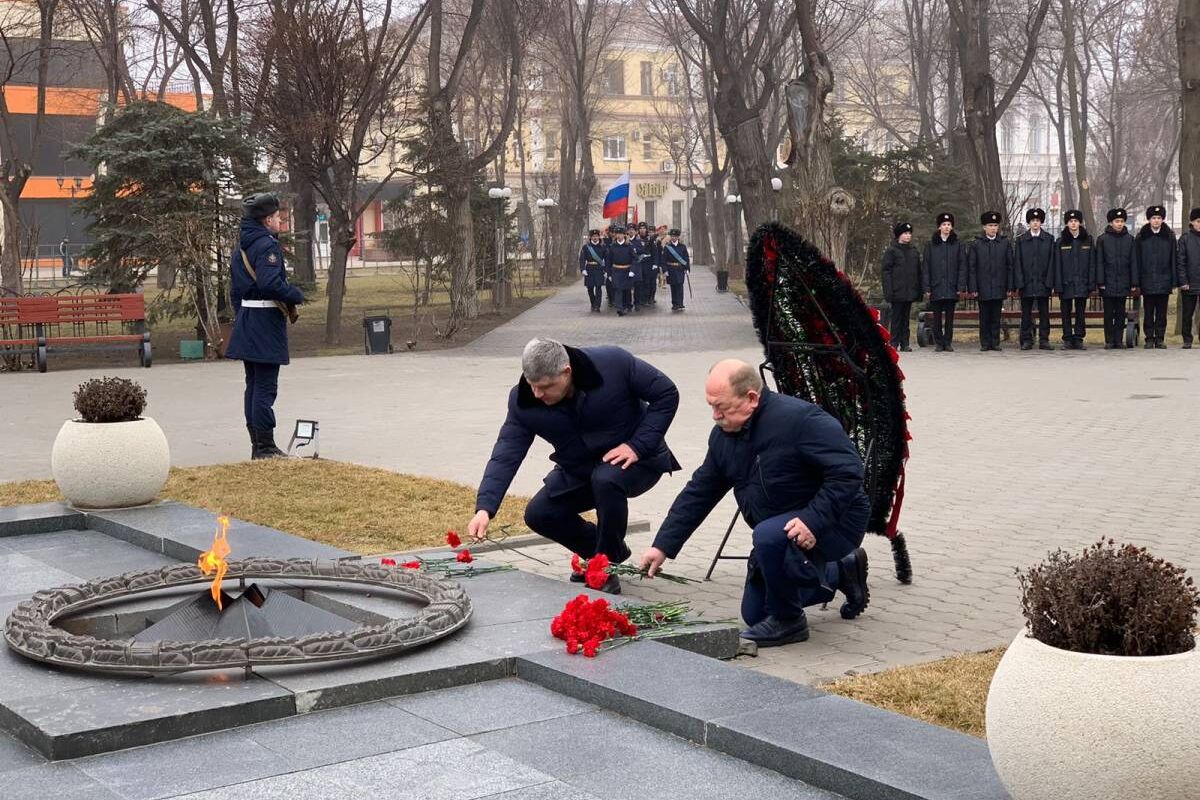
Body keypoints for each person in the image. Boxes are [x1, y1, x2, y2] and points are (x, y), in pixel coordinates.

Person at [638, 360, 871, 646]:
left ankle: (790, 622)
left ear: (751, 398)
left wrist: (813, 519)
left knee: (769, 538)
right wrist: (662, 545)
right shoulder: (724, 436)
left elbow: (848, 472)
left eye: (721, 406)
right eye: (711, 406)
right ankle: (841, 572)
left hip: (835, 519)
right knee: (755, 614)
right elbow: (700, 491)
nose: (715, 415)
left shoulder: (801, 420)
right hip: (781, 528)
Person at [469, 338, 681, 594]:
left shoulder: (612, 364)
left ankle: (606, 568)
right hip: (581, 469)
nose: (537, 394)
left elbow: (666, 394)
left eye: (545, 387)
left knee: (606, 479)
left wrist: (637, 445)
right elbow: (506, 452)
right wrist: (485, 508)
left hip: (640, 461)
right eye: (532, 384)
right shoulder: (524, 400)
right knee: (539, 513)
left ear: (566, 372)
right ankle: (605, 551)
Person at [224, 192, 305, 459]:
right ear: (267, 219)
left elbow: (235, 291)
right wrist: (295, 295)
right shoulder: (267, 246)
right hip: (264, 322)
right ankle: (266, 447)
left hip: (248, 319)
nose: (281, 221)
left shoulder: (243, 247)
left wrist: (243, 316)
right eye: (279, 217)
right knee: (265, 386)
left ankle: (257, 444)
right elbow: (269, 284)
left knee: (253, 383)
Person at [967, 211, 1014, 351]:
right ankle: (985, 343)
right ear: (984, 227)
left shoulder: (1004, 243)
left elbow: (1010, 265)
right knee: (984, 316)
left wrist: (1010, 285)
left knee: (996, 316)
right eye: (990, 225)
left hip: (999, 285)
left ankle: (995, 342)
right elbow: (972, 267)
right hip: (983, 286)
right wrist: (973, 287)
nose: (993, 228)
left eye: (995, 225)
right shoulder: (976, 244)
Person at [1095, 208, 1138, 349]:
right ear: (1111, 222)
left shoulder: (1130, 239)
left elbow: (1133, 261)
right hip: (1108, 283)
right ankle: (1109, 340)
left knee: (1120, 313)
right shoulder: (1102, 239)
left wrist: (1133, 282)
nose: (1119, 224)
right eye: (1116, 221)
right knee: (1108, 314)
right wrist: (1100, 281)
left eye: (1121, 221)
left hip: (1123, 282)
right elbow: (1099, 262)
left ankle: (1118, 340)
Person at [922, 212, 965, 352]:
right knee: (937, 317)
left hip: (951, 287)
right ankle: (939, 342)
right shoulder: (931, 245)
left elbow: (962, 266)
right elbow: (926, 267)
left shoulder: (957, 244)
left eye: (949, 225)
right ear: (939, 227)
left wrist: (960, 286)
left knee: (950, 317)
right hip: (936, 286)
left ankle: (948, 342)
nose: (946, 227)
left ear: (952, 227)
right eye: (944, 225)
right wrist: (927, 287)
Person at [1014, 208, 1056, 350]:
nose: (1035, 223)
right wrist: (1020, 282)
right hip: (1027, 283)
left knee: (1044, 313)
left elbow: (1052, 262)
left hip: (1043, 283)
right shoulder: (1021, 240)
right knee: (1026, 313)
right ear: (1029, 223)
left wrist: (1049, 281)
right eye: (1033, 221)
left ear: (1041, 222)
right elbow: (1017, 262)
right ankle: (1027, 339)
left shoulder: (1049, 239)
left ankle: (1044, 339)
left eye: (1038, 221)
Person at [1134, 205, 1175, 349]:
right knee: (1149, 311)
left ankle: (1160, 338)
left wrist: (1173, 280)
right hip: (1147, 280)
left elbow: (1173, 259)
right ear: (1149, 219)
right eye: (1153, 218)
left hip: (1164, 280)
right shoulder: (1141, 236)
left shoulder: (1169, 236)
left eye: (1159, 218)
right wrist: (1137, 280)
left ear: (1162, 219)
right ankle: (1149, 338)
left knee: (1162, 312)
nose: (1156, 221)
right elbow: (1137, 259)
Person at [881, 222, 923, 352]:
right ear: (899, 235)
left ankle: (905, 342)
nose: (908, 236)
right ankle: (893, 342)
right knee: (896, 318)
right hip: (897, 290)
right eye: (905, 233)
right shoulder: (892, 251)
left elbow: (918, 271)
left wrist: (918, 289)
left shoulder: (913, 251)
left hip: (909, 290)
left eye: (909, 233)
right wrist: (889, 290)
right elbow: (886, 272)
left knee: (906, 318)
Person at [1056, 210, 1094, 350]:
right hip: (1066, 283)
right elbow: (1057, 264)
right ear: (1067, 223)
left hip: (1082, 283)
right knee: (1065, 312)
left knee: (1080, 312)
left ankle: (1078, 338)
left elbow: (1092, 263)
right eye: (1071, 221)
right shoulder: (1061, 241)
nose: (1073, 224)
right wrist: (1058, 284)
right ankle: (1067, 338)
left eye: (1076, 221)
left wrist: (1091, 282)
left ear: (1080, 223)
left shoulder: (1087, 240)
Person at [1175, 207, 1200, 349]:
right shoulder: (1185, 239)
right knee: (1187, 313)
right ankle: (1187, 339)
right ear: (1192, 222)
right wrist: (1183, 281)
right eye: (1198, 221)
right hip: (1189, 283)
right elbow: (1181, 261)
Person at [607, 226, 638, 316]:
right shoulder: (612, 246)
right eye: (617, 234)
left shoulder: (629, 246)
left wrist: (632, 270)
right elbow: (609, 261)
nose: (619, 236)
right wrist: (608, 273)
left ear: (624, 235)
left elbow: (634, 259)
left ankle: (627, 305)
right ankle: (620, 308)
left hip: (627, 271)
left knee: (626, 290)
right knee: (618, 289)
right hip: (616, 271)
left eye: (621, 234)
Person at [660, 228, 690, 311]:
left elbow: (686, 258)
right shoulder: (667, 247)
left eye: (675, 236)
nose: (674, 238)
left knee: (680, 286)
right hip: (671, 269)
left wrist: (687, 268)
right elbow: (663, 260)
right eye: (672, 236)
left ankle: (680, 303)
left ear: (678, 237)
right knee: (673, 287)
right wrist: (665, 270)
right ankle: (674, 304)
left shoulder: (682, 247)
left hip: (680, 269)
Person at [578, 229, 607, 313]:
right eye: (593, 236)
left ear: (599, 236)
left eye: (596, 236)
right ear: (590, 237)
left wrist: (606, 270)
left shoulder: (603, 246)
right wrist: (583, 269)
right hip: (589, 268)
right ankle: (593, 303)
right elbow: (582, 259)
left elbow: (606, 259)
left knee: (598, 287)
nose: (595, 238)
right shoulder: (586, 247)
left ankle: (597, 305)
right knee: (590, 288)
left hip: (599, 269)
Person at [635, 222, 659, 308]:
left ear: (646, 229)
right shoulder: (636, 239)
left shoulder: (650, 239)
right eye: (640, 228)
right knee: (639, 283)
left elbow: (655, 253)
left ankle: (646, 299)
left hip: (648, 264)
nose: (642, 230)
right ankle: (640, 299)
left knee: (647, 282)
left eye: (644, 228)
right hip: (639, 263)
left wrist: (655, 264)